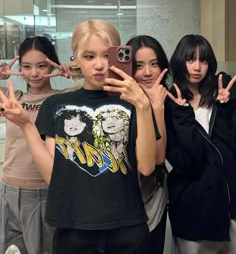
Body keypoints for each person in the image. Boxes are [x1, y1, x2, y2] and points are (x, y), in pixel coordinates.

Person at [0, 19, 158, 254]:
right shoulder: (56, 105)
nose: (100, 65)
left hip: (127, 226)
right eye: (89, 56)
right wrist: (26, 126)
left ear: (119, 54)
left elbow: (146, 167)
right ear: (75, 57)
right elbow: (54, 176)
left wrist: (144, 105)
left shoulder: (134, 102)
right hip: (72, 228)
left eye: (107, 55)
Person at [0, 36, 74, 254]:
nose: (34, 73)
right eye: (26, 67)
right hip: (8, 191)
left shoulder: (65, 98)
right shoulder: (12, 98)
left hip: (45, 192)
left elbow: (100, 87)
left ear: (52, 64)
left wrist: (74, 73)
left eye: (42, 66)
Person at [166, 34, 236, 254]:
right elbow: (189, 163)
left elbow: (229, 151)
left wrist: (226, 108)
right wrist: (182, 116)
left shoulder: (221, 97)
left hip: (228, 205)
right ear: (180, 61)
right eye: (190, 59)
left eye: (203, 60)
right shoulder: (170, 104)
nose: (197, 67)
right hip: (192, 208)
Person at [126, 35, 169, 254]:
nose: (147, 72)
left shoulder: (168, 99)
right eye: (138, 65)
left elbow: (159, 158)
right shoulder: (117, 100)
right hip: (121, 199)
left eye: (154, 64)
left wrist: (157, 107)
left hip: (153, 198)